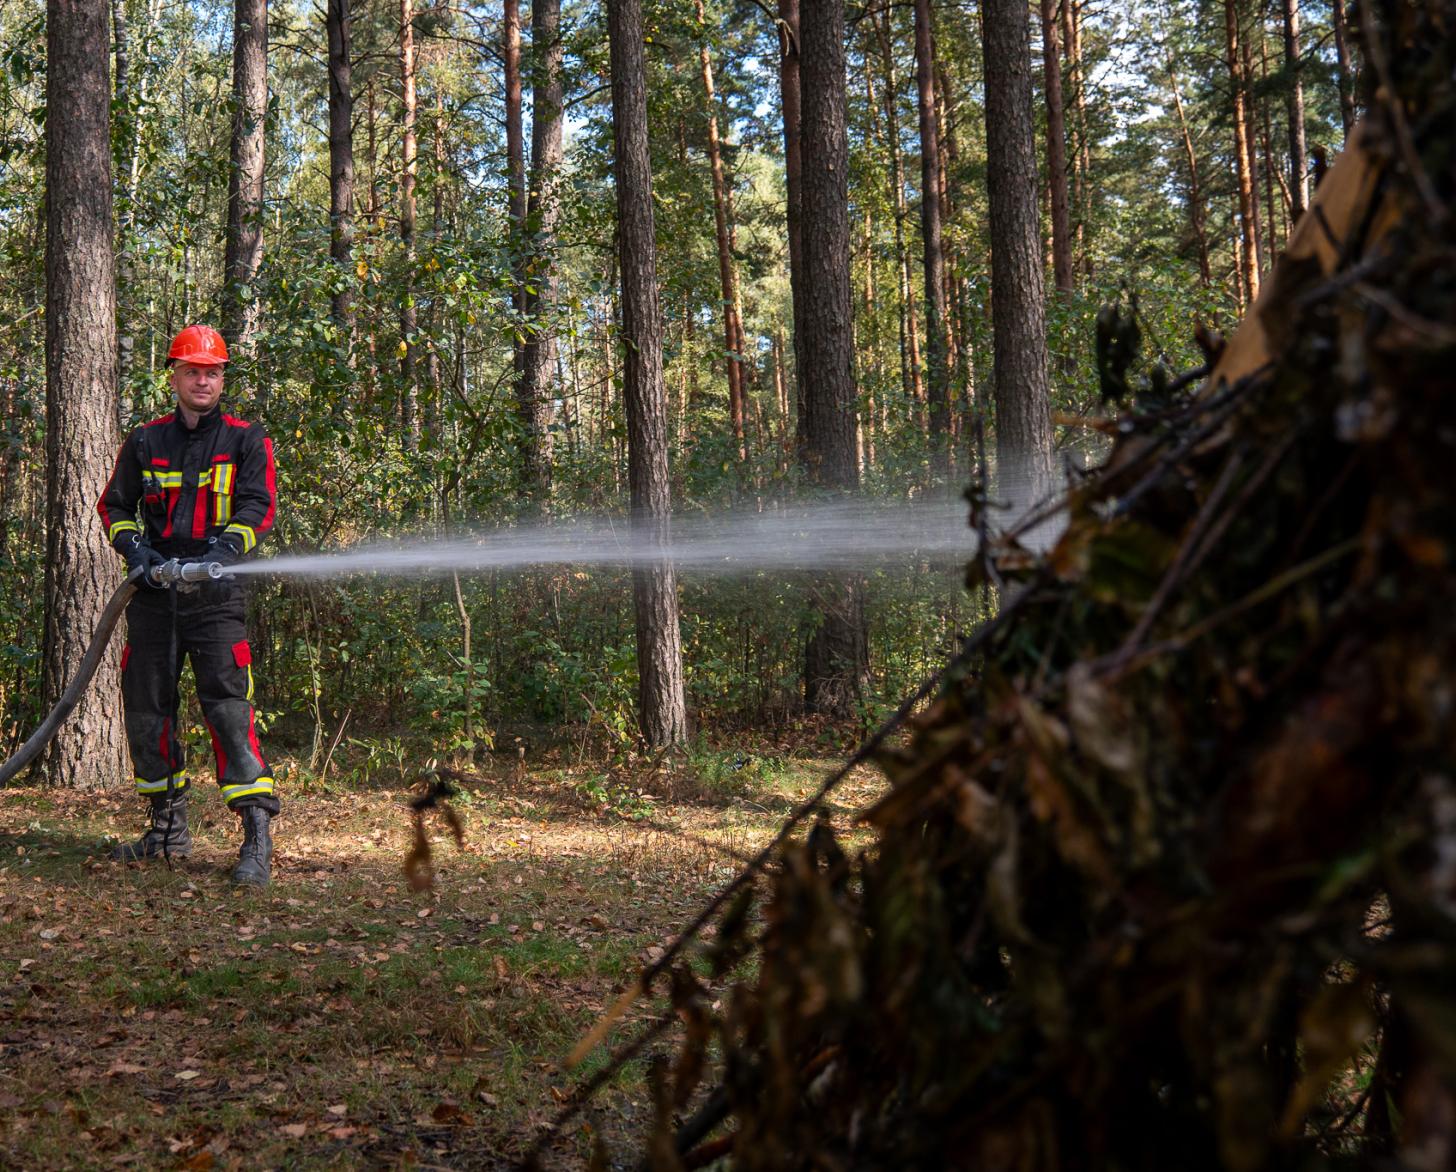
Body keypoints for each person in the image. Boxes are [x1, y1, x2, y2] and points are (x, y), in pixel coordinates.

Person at [96, 325, 280, 886]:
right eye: (193, 371)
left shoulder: (247, 439)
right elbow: (115, 507)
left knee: (228, 709)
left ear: (223, 379)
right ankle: (167, 830)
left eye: (213, 371)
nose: (203, 380)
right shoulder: (146, 441)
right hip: (154, 599)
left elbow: (258, 506)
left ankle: (255, 838)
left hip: (216, 599)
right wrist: (136, 549)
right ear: (174, 375)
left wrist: (226, 549)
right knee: (148, 710)